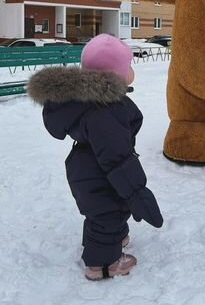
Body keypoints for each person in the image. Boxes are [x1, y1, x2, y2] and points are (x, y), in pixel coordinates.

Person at [28, 34, 163, 281]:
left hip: (85, 165)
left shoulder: (90, 102)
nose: (132, 70)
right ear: (113, 76)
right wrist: (137, 193)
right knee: (108, 212)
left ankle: (113, 238)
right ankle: (102, 264)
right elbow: (118, 160)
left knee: (103, 209)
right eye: (128, 66)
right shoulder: (104, 113)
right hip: (99, 171)